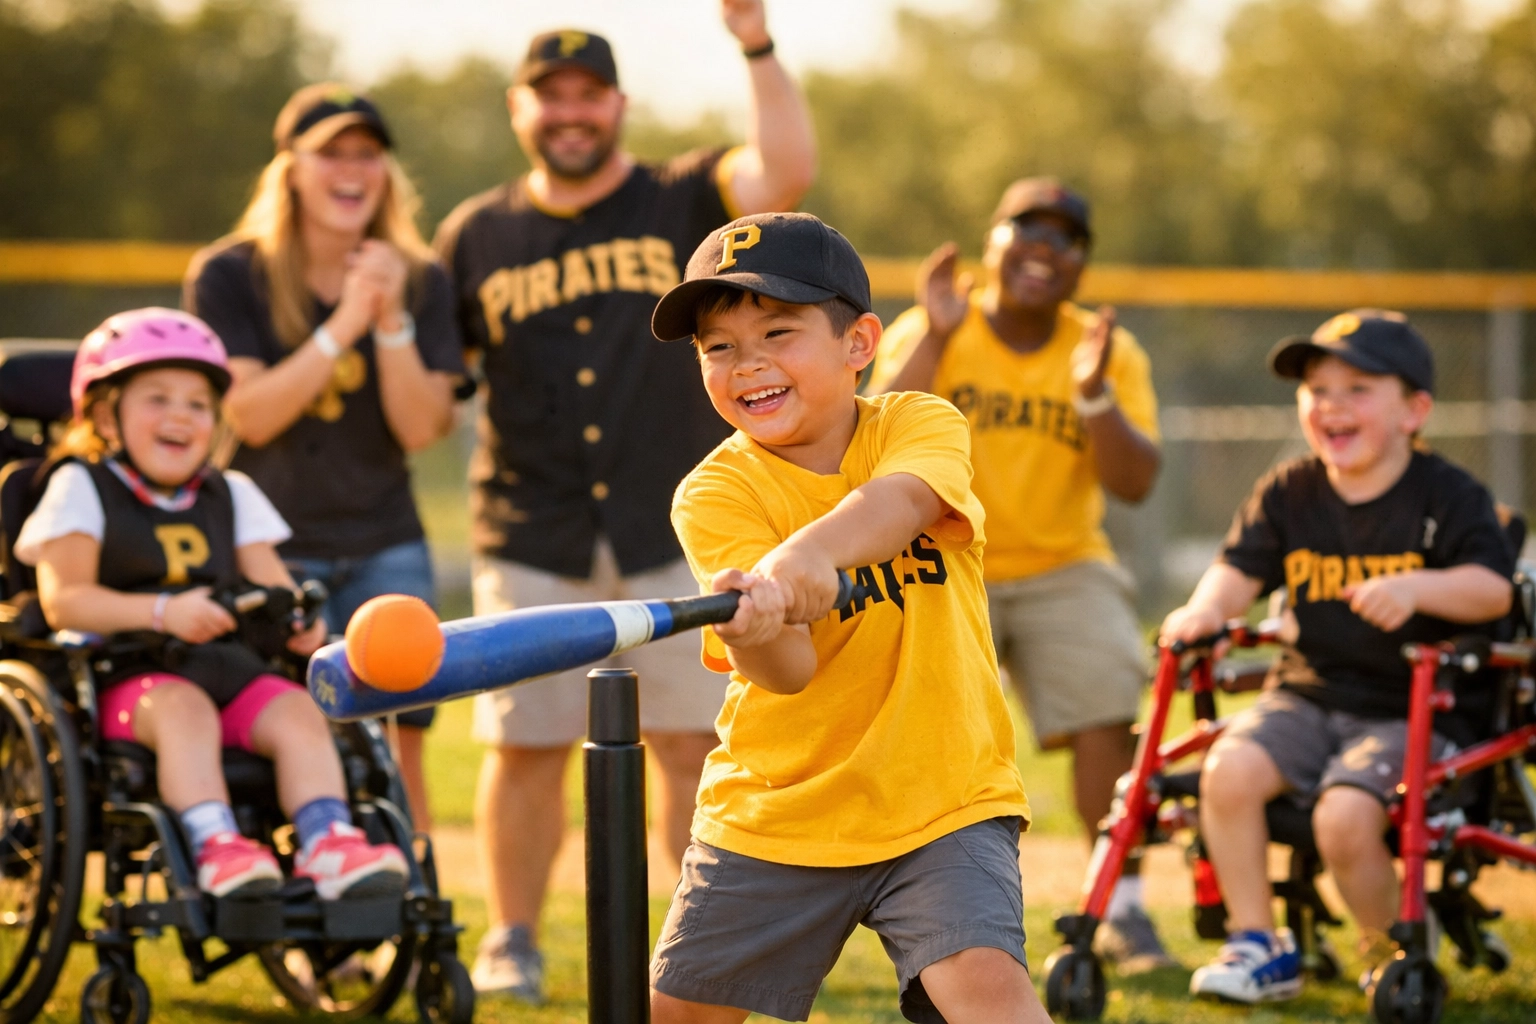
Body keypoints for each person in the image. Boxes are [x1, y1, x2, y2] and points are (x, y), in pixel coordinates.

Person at [433, 1, 815, 1002]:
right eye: (548, 97)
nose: (569, 113)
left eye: (587, 95)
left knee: (691, 742)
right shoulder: (474, 232)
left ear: (617, 105)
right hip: (532, 520)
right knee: (526, 743)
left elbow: (784, 174)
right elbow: (439, 380)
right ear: (520, 109)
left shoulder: (685, 193)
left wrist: (756, 45)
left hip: (673, 514)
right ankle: (512, 936)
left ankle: (690, 946)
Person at [645, 211, 1047, 1024]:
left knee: (988, 993)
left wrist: (803, 560)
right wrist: (752, 630)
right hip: (776, 807)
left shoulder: (917, 423)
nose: (747, 364)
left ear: (860, 343)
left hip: (941, 797)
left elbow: (900, 502)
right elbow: (789, 672)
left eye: (779, 332)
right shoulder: (716, 493)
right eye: (718, 347)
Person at [1161, 311, 1514, 1003]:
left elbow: (1491, 588)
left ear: (1415, 410)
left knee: (1342, 818)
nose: (1331, 405)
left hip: (1406, 712)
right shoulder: (1291, 490)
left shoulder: (1448, 495)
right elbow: (1237, 570)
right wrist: (1204, 611)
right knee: (1225, 773)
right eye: (1317, 390)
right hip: (1308, 695)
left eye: (1357, 389)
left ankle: (1389, 956)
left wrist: (1417, 587)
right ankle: (1258, 944)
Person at [868, 178, 1168, 968]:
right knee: (912, 731)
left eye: (1065, 238)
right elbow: (869, 441)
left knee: (1109, 696)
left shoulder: (1106, 347)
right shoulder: (935, 325)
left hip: (1063, 560)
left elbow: (1135, 484)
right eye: (1025, 229)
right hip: (940, 558)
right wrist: (934, 336)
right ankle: (910, 912)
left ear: (1081, 264)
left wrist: (1095, 395)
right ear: (991, 242)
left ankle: (1122, 909)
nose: (1044, 247)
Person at [18, 308, 410, 900]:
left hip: (229, 671)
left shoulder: (233, 494)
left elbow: (278, 592)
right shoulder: (79, 487)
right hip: (127, 679)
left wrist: (303, 626)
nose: (180, 415)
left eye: (197, 404)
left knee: (299, 712)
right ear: (105, 414)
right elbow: (64, 602)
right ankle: (216, 846)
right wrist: (160, 613)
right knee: (184, 710)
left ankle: (329, 842)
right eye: (157, 398)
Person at [185, 83, 465, 834]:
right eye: (331, 153)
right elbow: (250, 412)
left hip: (385, 540)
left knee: (402, 743)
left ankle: (410, 918)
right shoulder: (229, 273)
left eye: (367, 155)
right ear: (292, 170)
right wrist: (345, 322)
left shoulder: (419, 274)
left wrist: (393, 318)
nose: (352, 170)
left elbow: (421, 427)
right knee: (293, 731)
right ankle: (323, 932)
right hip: (271, 546)